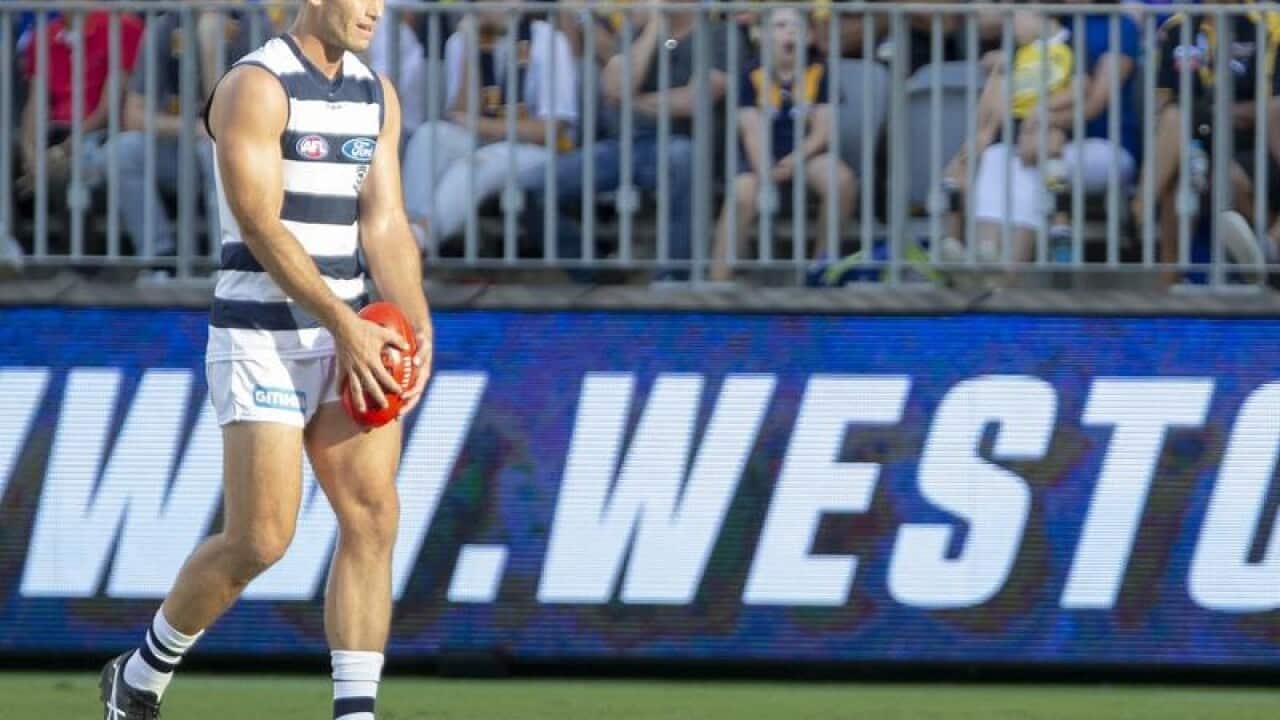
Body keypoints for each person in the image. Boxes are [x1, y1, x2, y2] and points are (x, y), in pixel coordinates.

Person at [98, 1, 433, 719]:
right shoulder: (256, 85)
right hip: (262, 338)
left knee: (373, 514)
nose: (376, 9)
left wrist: (414, 319)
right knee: (261, 538)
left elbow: (384, 222)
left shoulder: (378, 93)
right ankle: (141, 674)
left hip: (347, 336)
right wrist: (344, 323)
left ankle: (356, 712)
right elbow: (259, 225)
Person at [520, 0, 729, 282]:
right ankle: (593, 273)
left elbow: (693, 100)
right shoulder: (639, 32)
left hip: (682, 144)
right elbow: (615, 87)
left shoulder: (718, 35)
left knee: (684, 157)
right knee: (531, 187)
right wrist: (655, 28)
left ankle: (674, 277)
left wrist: (634, 101)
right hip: (624, 146)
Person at [946, 1, 1139, 267]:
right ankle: (983, 257)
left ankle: (1012, 269)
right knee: (995, 157)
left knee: (1030, 163)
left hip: (1101, 145)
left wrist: (1043, 119)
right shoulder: (1055, 24)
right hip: (1039, 138)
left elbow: (1093, 103)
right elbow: (989, 19)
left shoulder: (1118, 26)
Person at [400, 2, 578, 255]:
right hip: (486, 139)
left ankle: (415, 240)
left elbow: (551, 129)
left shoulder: (549, 40)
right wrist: (471, 52)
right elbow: (460, 113)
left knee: (474, 165)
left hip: (538, 150)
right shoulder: (461, 41)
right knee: (429, 135)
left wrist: (482, 125)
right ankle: (406, 229)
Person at [1134, 1, 1280, 285]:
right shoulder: (1177, 27)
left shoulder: (1267, 24)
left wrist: (1223, 111)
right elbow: (1163, 99)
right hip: (1194, 135)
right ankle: (1145, 220)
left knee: (1230, 176)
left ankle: (1263, 257)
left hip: (1252, 139)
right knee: (1176, 140)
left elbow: (1272, 105)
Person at [711, 6, 855, 283]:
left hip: (806, 155)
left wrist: (796, 159)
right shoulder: (750, 74)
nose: (789, 32)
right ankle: (718, 280)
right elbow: (751, 131)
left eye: (797, 27)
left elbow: (823, 130)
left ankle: (821, 271)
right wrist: (767, 171)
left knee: (842, 180)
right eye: (779, 26)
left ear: (810, 37)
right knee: (743, 191)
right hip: (760, 158)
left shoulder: (819, 72)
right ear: (761, 36)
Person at [110, 10, 253, 266]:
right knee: (122, 152)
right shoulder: (165, 27)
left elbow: (228, 121)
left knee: (214, 149)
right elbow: (134, 115)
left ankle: (225, 262)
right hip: (180, 150)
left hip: (244, 157)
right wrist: (191, 128)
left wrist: (210, 49)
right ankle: (158, 258)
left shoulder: (251, 24)